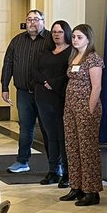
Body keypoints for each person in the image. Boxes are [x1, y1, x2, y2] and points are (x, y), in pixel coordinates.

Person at [61, 24, 105, 206]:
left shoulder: (93, 59)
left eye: (79, 37)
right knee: (72, 147)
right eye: (74, 37)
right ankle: (76, 186)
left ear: (88, 39)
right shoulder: (74, 57)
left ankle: (91, 190)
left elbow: (96, 87)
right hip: (70, 108)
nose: (75, 40)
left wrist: (89, 109)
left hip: (86, 108)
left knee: (87, 149)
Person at [0, 9, 48, 173]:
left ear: (43, 21)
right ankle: (22, 161)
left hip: (45, 94)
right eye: (29, 19)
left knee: (48, 128)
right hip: (23, 92)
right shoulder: (17, 41)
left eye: (36, 19)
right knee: (25, 127)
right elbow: (8, 64)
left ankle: (56, 165)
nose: (32, 22)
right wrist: (4, 86)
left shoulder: (50, 40)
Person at [34, 19, 73, 188]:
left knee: (62, 136)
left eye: (60, 32)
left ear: (67, 34)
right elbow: (34, 70)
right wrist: (45, 82)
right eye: (54, 32)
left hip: (60, 98)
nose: (56, 35)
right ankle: (53, 171)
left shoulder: (72, 52)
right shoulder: (44, 52)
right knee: (50, 136)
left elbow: (69, 74)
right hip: (43, 97)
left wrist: (53, 83)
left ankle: (66, 173)